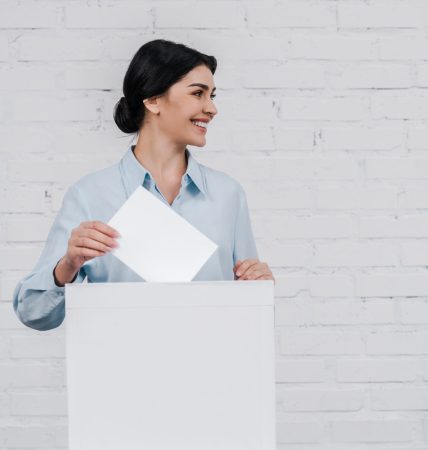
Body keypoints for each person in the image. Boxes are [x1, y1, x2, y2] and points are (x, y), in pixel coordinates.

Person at [13, 39, 273, 331]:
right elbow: (34, 313)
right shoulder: (90, 195)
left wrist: (259, 288)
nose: (211, 108)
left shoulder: (229, 195)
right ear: (152, 100)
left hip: (212, 368)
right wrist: (67, 266)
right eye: (198, 93)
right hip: (123, 370)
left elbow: (251, 315)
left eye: (212, 95)